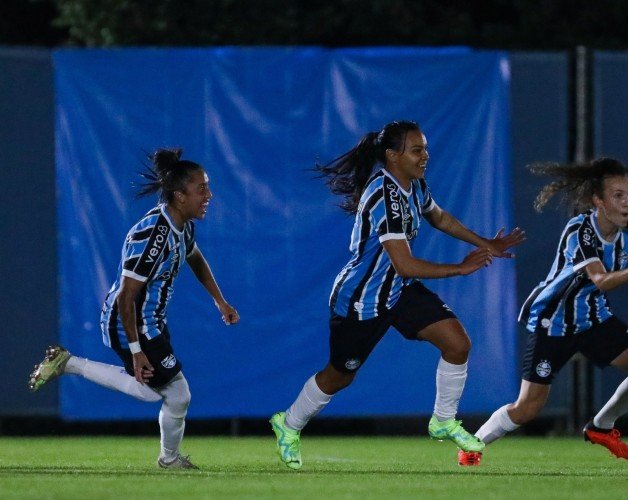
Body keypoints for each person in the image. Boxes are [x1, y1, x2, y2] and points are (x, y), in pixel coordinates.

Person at [268, 120, 525, 470]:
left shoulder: (414, 185)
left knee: (457, 343)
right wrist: (459, 268)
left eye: (425, 148)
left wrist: (486, 243)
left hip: (398, 291)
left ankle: (443, 421)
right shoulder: (384, 195)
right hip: (363, 298)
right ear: (392, 156)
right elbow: (404, 264)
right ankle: (289, 424)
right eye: (416, 150)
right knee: (339, 375)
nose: (425, 156)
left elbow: (440, 218)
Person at [28, 149, 239, 469]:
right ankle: (167, 460)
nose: (209, 195)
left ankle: (68, 364)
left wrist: (219, 300)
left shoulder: (183, 225)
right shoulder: (155, 234)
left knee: (161, 393)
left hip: (151, 320)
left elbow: (194, 257)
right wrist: (137, 349)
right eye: (202, 189)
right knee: (176, 394)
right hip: (127, 321)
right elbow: (127, 297)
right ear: (180, 196)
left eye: (208, 187)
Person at [458, 157, 628, 467]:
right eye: (618, 195)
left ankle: (601, 426)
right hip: (554, 321)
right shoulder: (580, 229)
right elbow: (600, 280)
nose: (627, 202)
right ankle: (471, 445)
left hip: (593, 319)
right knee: (527, 408)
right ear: (597, 200)